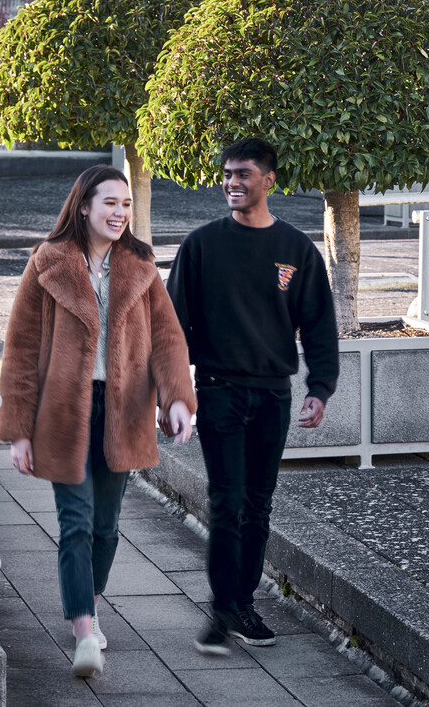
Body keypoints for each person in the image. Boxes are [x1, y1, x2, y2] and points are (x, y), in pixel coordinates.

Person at [0, 165, 196, 677]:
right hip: (64, 413)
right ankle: (84, 631)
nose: (120, 212)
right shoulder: (48, 263)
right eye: (110, 203)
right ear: (83, 205)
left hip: (124, 411)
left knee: (106, 527)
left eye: (126, 204)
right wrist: (18, 429)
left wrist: (176, 399)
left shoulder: (140, 265)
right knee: (77, 522)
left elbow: (169, 339)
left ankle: (93, 602)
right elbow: (19, 350)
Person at [165, 136, 339, 655]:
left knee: (259, 506)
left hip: (274, 396)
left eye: (243, 174)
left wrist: (320, 388)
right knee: (227, 503)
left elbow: (319, 326)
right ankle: (223, 611)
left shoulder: (296, 250)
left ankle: (241, 605)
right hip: (219, 390)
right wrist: (171, 392)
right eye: (226, 174)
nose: (231, 183)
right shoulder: (201, 245)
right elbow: (172, 327)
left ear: (270, 181)